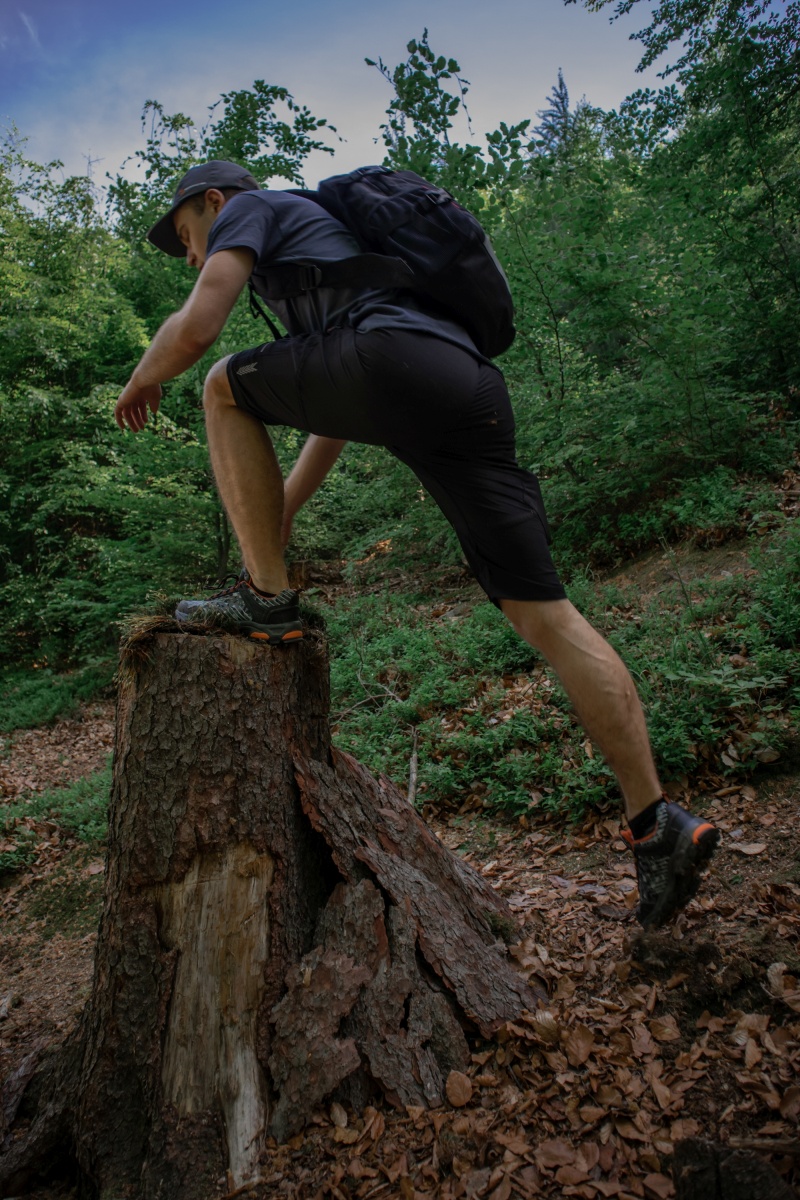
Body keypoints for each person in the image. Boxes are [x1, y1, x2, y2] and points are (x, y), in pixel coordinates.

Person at [115, 159, 719, 929]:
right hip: (466, 382)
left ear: (213, 202)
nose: (192, 255)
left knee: (220, 385)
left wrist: (144, 375)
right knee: (546, 615)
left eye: (187, 235)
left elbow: (200, 327)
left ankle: (267, 602)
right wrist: (278, 515)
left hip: (394, 362)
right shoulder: (324, 268)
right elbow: (336, 419)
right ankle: (656, 824)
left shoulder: (251, 208)